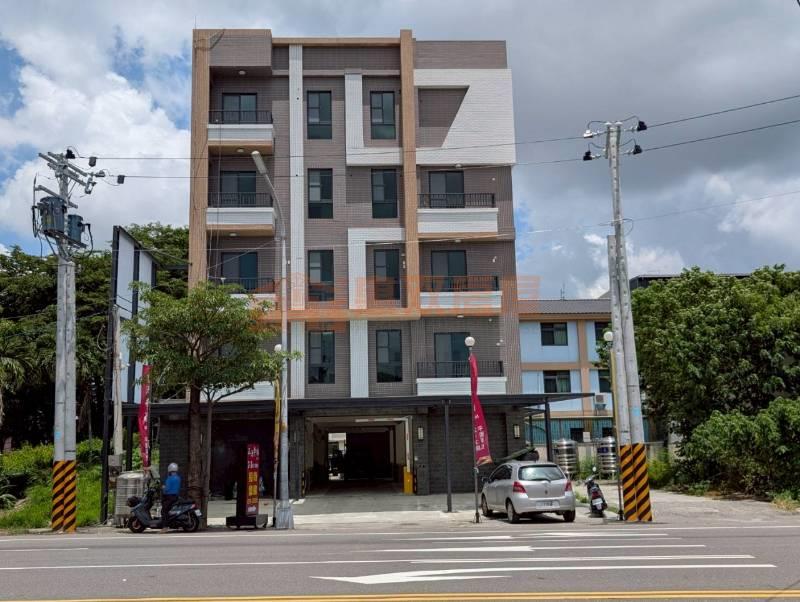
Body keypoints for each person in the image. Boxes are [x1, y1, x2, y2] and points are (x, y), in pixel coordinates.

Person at [161, 462, 181, 530]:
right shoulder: (178, 478)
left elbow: (167, 489)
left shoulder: (169, 479)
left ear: (169, 470)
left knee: (164, 510)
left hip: (169, 497)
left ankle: (165, 526)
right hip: (176, 496)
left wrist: (163, 488)